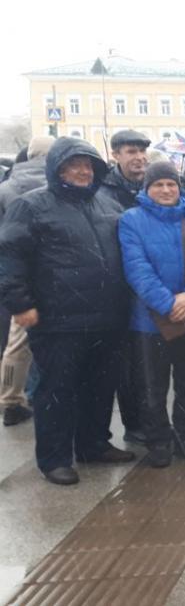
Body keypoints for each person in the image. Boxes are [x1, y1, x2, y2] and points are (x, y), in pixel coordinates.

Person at [0, 138, 136, 485]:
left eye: (88, 165)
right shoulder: (30, 206)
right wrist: (20, 304)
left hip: (107, 317)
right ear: (57, 169)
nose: (82, 171)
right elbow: (10, 257)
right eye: (73, 165)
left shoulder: (106, 203)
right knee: (56, 390)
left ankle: (93, 444)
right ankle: (54, 458)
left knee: (100, 386)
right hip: (58, 320)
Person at [119, 161, 185, 467]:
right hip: (150, 320)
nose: (166, 190)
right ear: (147, 189)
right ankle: (158, 439)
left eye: (171, 184)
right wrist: (168, 303)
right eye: (158, 185)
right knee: (152, 384)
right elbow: (137, 269)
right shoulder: (131, 220)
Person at [96, 129, 151, 444]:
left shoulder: (153, 185)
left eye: (142, 152)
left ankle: (148, 419)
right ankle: (134, 424)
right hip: (119, 290)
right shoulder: (104, 193)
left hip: (151, 289)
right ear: (115, 155)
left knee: (148, 364)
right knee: (126, 366)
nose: (139, 158)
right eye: (131, 151)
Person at [0, 135, 54, 427]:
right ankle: (41, 393)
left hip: (18, 277)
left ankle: (10, 400)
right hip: (53, 275)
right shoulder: (57, 185)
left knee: (17, 342)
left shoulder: (6, 188)